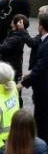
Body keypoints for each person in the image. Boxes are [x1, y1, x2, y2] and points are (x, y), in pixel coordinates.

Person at [0, 15, 31, 107]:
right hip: (15, 67)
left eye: (13, 20)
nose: (11, 21)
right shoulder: (17, 34)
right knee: (14, 93)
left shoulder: (15, 37)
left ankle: (15, 113)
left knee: (12, 93)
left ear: (16, 24)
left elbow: (2, 48)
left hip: (12, 69)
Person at [21, 10, 48, 143]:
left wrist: (23, 82)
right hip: (41, 88)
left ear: (41, 26)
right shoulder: (44, 40)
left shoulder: (46, 44)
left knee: (42, 122)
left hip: (44, 91)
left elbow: (40, 68)